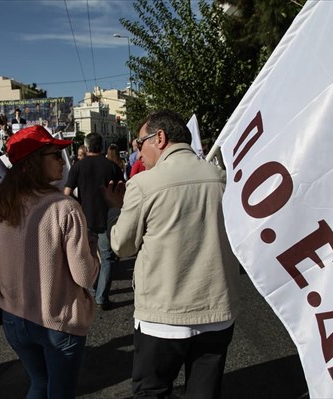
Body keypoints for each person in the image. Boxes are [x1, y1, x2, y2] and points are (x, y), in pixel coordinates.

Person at [102, 110, 240, 398]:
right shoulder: (224, 179)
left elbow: (122, 246)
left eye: (140, 144)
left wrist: (115, 210)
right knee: (204, 391)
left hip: (163, 314)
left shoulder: (145, 184)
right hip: (216, 308)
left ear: (160, 137)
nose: (138, 154)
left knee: (151, 390)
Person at [0, 125, 100, 398]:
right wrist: (94, 251)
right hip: (57, 319)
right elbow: (85, 276)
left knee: (39, 384)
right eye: (55, 153)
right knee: (60, 392)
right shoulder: (64, 207)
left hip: (14, 317)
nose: (63, 159)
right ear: (34, 162)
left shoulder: (1, 203)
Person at [64, 133, 125, 310]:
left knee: (88, 255)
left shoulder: (77, 167)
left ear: (86, 146)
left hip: (85, 218)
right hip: (108, 218)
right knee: (107, 258)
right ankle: (102, 296)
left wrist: (77, 206)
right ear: (102, 147)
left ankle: (91, 289)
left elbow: (66, 194)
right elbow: (123, 191)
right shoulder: (112, 167)